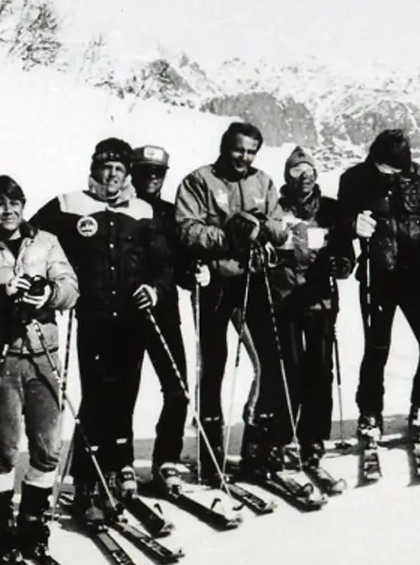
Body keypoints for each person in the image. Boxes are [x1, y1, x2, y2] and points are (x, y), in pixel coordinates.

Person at [31, 138, 174, 524]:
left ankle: (114, 471)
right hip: (93, 317)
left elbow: (162, 264)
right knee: (95, 397)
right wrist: (53, 279)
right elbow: (33, 240)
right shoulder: (70, 204)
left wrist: (155, 290)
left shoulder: (142, 211)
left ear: (128, 174)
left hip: (131, 318)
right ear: (94, 169)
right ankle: (86, 482)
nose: (111, 175)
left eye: (118, 169)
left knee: (124, 394)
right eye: (104, 167)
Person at [0, 175, 79, 558]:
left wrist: (50, 292)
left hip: (43, 353)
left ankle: (33, 521)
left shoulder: (45, 242)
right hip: (1, 358)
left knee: (47, 447)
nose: (8, 211)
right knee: (4, 448)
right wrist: (1, 296)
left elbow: (70, 284)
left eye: (14, 203)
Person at [174, 121, 294, 485]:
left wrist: (260, 229)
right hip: (214, 283)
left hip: (253, 282)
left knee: (269, 363)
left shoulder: (263, 182)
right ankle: (211, 455)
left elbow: (281, 227)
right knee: (214, 367)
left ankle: (255, 447)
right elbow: (186, 229)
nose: (244, 158)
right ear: (226, 147)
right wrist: (228, 236)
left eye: (251, 152)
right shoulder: (199, 180)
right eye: (239, 149)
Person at [337, 128, 420, 446]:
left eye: (393, 170)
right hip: (377, 271)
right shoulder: (355, 178)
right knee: (377, 347)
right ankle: (370, 412)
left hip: (416, 270)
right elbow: (341, 222)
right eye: (382, 167)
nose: (387, 175)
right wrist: (352, 225)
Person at [265, 147, 354, 484]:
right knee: (288, 369)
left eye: (309, 171)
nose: (303, 178)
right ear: (287, 176)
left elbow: (346, 252)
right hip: (285, 300)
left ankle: (313, 437)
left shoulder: (331, 209)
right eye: (296, 171)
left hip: (320, 301)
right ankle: (282, 435)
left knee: (320, 370)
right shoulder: (275, 208)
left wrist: (341, 264)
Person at [129, 145, 195, 489]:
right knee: (123, 392)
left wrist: (195, 270)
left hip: (165, 312)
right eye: (145, 172)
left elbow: (181, 268)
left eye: (158, 173)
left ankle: (166, 459)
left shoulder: (171, 214)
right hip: (124, 315)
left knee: (177, 388)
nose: (152, 179)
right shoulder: (120, 209)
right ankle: (120, 463)